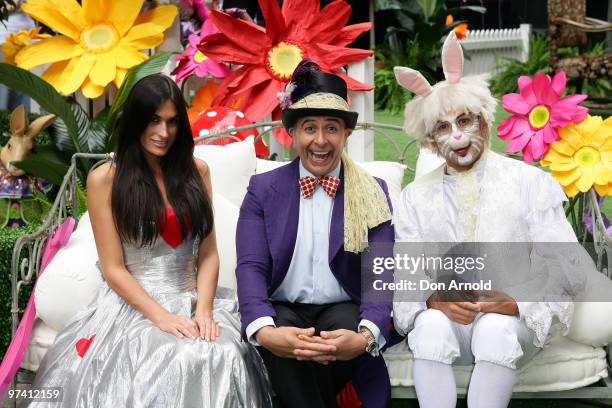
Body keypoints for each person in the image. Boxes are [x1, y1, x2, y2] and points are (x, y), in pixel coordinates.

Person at [31, 74, 272, 407]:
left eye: (173, 122)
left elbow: (209, 255)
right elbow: (114, 269)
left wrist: (203, 311)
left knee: (224, 352)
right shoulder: (105, 178)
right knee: (161, 358)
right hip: (134, 304)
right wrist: (163, 317)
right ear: (136, 121)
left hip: (191, 297)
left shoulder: (196, 170)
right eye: (154, 120)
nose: (164, 133)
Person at [392, 33, 586, 408]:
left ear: (483, 122)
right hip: (448, 324)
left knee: (495, 330)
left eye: (465, 120)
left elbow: (567, 265)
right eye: (443, 129)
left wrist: (516, 301)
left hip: (514, 324)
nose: (457, 136)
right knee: (429, 327)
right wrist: (434, 300)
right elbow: (405, 272)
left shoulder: (531, 182)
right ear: (431, 141)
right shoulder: (415, 198)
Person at [235, 60, 395, 408]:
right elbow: (250, 267)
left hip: (344, 307)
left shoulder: (372, 191)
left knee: (332, 339)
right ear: (292, 133)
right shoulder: (263, 190)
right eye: (310, 128)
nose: (320, 141)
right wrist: (266, 332)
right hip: (283, 307)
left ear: (346, 134)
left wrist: (365, 337)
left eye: (331, 129)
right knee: (290, 349)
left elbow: (380, 275)